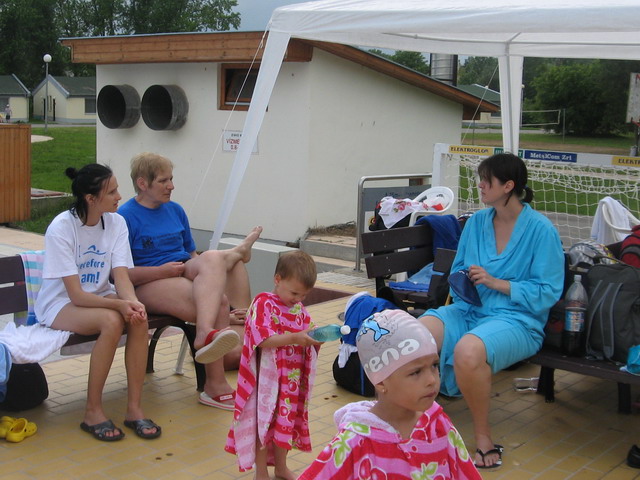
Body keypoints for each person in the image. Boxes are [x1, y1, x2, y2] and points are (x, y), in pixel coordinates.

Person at [419, 153, 564, 468]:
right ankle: (415, 422)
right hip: (469, 310)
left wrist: (498, 283)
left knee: (469, 350)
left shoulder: (541, 230)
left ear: (508, 186)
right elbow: (459, 268)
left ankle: (483, 438)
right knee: (416, 335)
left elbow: (548, 291)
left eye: (487, 180)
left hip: (518, 319)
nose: (481, 185)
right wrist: (463, 279)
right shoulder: (476, 223)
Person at [118, 152, 261, 410]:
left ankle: (205, 332)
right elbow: (121, 274)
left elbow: (192, 255)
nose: (171, 186)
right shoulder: (125, 217)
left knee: (213, 258)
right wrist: (161, 271)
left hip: (182, 269)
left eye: (171, 179)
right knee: (220, 303)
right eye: (163, 181)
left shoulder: (175, 210)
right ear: (142, 183)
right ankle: (214, 385)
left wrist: (203, 273)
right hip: (148, 282)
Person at [34, 164, 160, 442]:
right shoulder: (62, 228)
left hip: (100, 297)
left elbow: (121, 276)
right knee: (112, 320)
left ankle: (134, 410)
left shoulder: (116, 223)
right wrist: (119, 306)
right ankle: (93, 411)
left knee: (138, 319)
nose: (119, 196)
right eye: (111, 192)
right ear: (90, 199)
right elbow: (76, 295)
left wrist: (132, 302)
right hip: (60, 304)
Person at [299, 309, 481, 479]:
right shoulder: (354, 442)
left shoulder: (438, 424)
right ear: (380, 381)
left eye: (434, 365)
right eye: (416, 372)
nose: (432, 380)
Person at [225, 250, 321, 480]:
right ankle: (261, 473)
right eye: (294, 292)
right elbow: (261, 340)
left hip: (290, 382)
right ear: (277, 279)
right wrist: (295, 337)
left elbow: (306, 333)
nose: (298, 299)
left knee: (284, 424)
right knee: (264, 424)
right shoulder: (264, 303)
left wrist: (315, 339)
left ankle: (280, 467)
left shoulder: (298, 309)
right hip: (266, 383)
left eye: (304, 295)